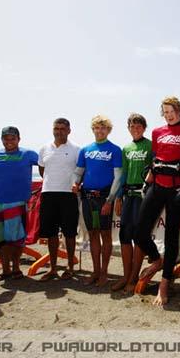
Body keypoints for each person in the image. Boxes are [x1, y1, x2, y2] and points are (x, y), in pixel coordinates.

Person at [132, 96, 180, 306]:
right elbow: (155, 162)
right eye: (165, 111)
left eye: (172, 111)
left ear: (179, 111)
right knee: (139, 232)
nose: (169, 115)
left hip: (177, 190)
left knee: (171, 237)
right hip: (157, 186)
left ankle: (164, 284)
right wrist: (146, 185)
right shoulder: (157, 132)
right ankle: (156, 259)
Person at [0, 126, 39, 283]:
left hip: (17, 202)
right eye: (6, 138)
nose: (9, 141)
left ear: (18, 139)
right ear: (2, 139)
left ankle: (16, 268)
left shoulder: (28, 154)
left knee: (16, 237)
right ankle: (5, 270)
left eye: (12, 138)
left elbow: (44, 164)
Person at [72, 115, 122, 287]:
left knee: (105, 234)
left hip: (104, 198)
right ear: (92, 129)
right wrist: (75, 183)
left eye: (104, 128)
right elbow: (79, 172)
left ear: (108, 130)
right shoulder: (85, 150)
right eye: (97, 128)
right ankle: (95, 271)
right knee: (93, 233)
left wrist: (110, 200)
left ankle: (104, 272)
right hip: (87, 198)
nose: (100, 131)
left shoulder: (115, 150)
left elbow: (118, 177)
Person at [111, 113, 153, 292]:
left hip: (143, 194)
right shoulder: (126, 148)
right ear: (128, 128)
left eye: (139, 126)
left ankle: (134, 277)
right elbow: (123, 174)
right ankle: (125, 275)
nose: (135, 129)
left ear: (144, 128)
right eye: (132, 126)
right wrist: (119, 196)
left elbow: (155, 170)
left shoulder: (150, 145)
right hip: (128, 193)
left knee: (139, 236)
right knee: (124, 236)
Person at [37, 118, 80, 281]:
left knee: (69, 233)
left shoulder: (76, 149)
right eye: (56, 128)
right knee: (51, 233)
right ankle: (53, 269)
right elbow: (42, 170)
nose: (59, 131)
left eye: (63, 128)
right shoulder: (44, 148)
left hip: (68, 194)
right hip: (48, 193)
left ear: (69, 130)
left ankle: (70, 267)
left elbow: (80, 170)